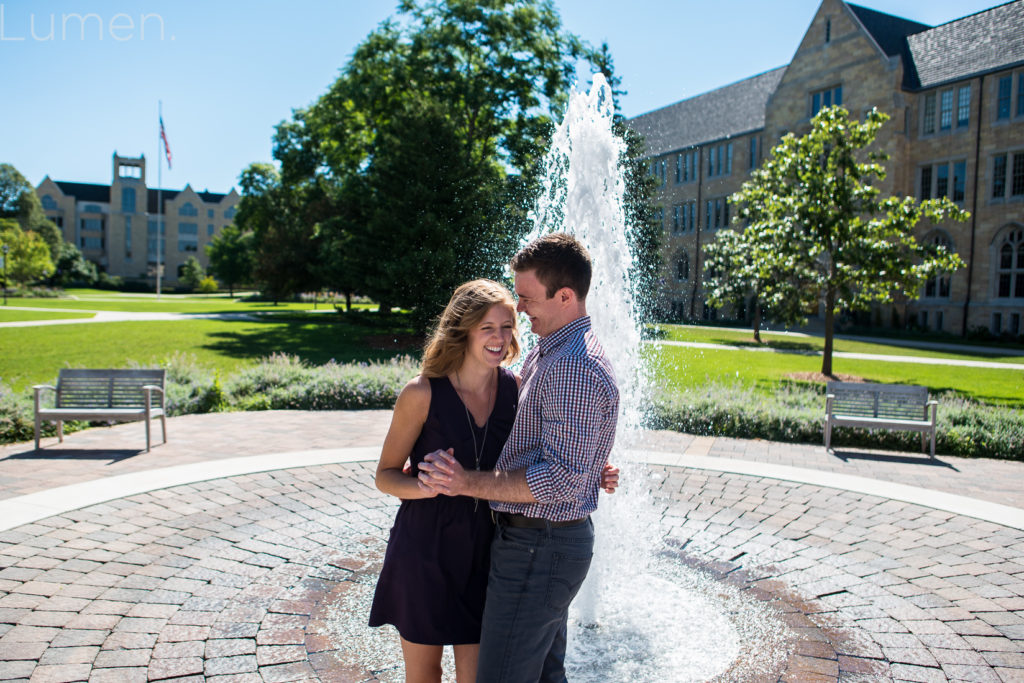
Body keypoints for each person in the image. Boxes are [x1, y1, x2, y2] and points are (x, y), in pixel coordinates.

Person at [369, 278, 617, 683]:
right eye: (487, 328)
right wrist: (424, 487)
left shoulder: (514, 390)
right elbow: (385, 476)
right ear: (463, 329)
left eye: (507, 327)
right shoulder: (421, 394)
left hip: (489, 551)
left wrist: (593, 468)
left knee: (478, 676)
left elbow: (552, 454)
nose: (500, 339)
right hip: (424, 550)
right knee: (424, 675)